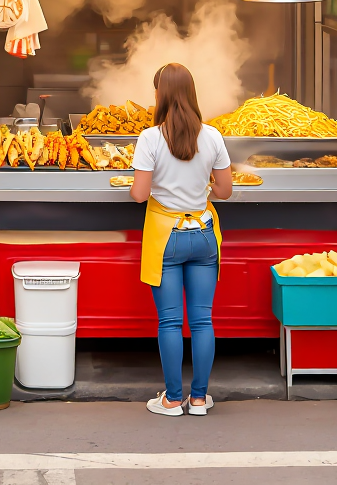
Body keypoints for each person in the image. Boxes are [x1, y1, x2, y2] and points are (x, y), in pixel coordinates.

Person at [129, 63, 232, 417]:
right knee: (202, 320)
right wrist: (200, 187)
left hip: (166, 238)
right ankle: (200, 398)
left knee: (170, 322)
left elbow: (140, 195)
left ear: (160, 94)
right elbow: (225, 190)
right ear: (191, 93)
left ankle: (173, 399)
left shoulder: (150, 138)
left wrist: (140, 184)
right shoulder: (213, 136)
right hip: (204, 236)